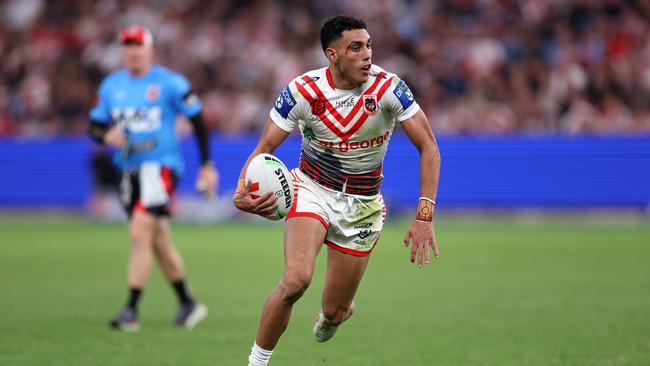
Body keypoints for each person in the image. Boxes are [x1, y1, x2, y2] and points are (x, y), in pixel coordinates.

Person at [233, 16, 441, 365]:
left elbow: (429, 147)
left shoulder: (389, 89)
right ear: (332, 54)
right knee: (296, 281)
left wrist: (425, 216)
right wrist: (242, 190)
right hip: (311, 189)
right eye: (355, 48)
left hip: (363, 205)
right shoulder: (303, 91)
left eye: (369, 45)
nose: (367, 55)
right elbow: (264, 147)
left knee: (334, 311)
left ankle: (336, 313)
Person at [88, 25, 217, 331]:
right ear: (122, 51)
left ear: (150, 50)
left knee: (140, 232)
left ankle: (131, 311)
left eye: (138, 46)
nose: (133, 52)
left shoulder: (170, 83)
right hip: (128, 171)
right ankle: (188, 302)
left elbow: (198, 121)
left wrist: (207, 165)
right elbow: (93, 127)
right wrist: (107, 133)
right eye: (128, 46)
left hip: (160, 167)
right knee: (156, 238)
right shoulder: (111, 87)